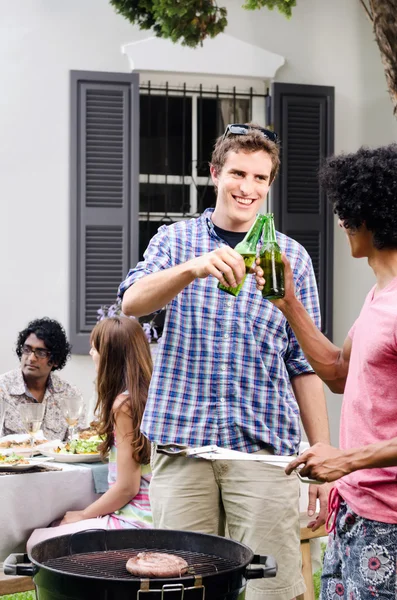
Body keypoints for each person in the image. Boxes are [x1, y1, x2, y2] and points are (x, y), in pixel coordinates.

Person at [119, 123, 330, 600]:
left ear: (269, 185)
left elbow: (304, 363)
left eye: (260, 178)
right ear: (215, 173)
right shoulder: (174, 242)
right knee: (177, 588)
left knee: (269, 590)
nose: (247, 188)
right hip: (184, 450)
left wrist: (320, 454)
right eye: (238, 173)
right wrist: (194, 267)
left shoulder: (291, 257)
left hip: (263, 456)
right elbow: (131, 302)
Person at [255, 144, 397, 600]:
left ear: (378, 213)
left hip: (390, 525)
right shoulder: (378, 295)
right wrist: (289, 303)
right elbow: (338, 372)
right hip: (356, 511)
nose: (341, 221)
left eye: (349, 210)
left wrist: (347, 459)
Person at [27, 316, 153, 550]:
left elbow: (128, 487)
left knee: (37, 543)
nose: (92, 354)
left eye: (95, 349)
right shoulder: (150, 396)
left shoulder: (124, 405)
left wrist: (84, 514)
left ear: (110, 357)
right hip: (153, 517)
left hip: (136, 523)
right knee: (55, 526)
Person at [0, 317, 85, 440]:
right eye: (27, 350)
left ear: (55, 360)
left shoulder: (69, 394)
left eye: (41, 353)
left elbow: (77, 443)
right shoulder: (3, 390)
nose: (31, 358)